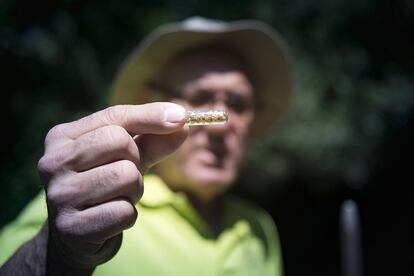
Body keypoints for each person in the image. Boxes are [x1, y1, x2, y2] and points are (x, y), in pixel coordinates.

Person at [0, 16, 292, 275]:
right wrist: (58, 253)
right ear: (153, 105)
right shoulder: (87, 199)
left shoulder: (260, 228)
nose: (221, 123)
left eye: (237, 104)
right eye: (200, 95)